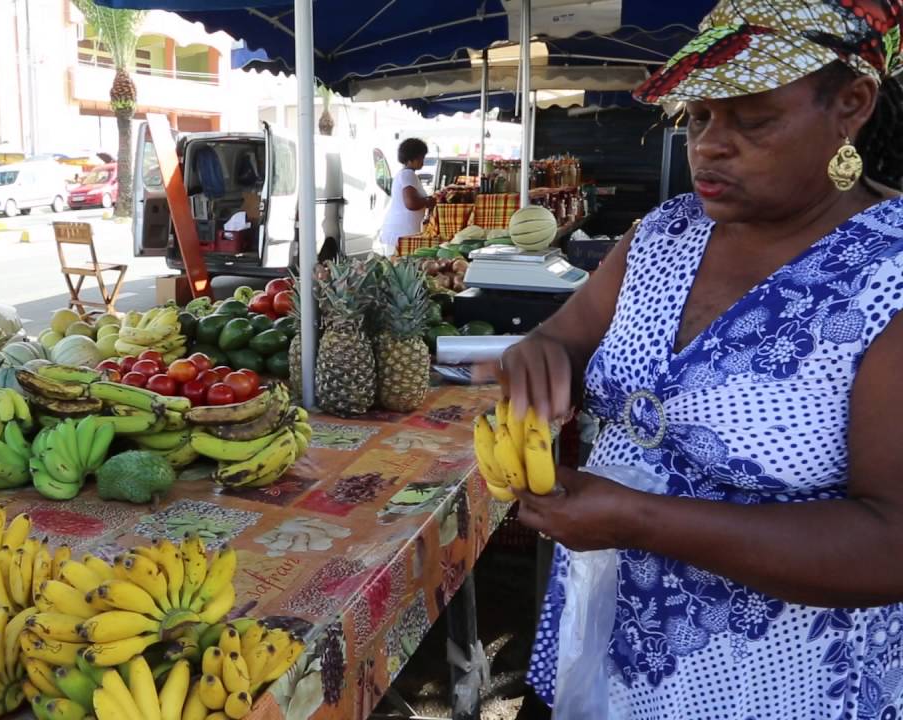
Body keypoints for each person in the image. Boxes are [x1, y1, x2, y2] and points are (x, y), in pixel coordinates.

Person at [494, 0, 903, 717]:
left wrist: (638, 519)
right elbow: (562, 335)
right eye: (699, 116)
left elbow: (890, 544)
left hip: (776, 685)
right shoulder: (662, 234)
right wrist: (539, 355)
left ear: (852, 105)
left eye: (751, 120)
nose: (711, 145)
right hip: (605, 641)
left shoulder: (886, 277)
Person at [378, 138, 435, 255]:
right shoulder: (408, 174)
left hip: (400, 231)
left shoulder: (405, 174)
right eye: (421, 157)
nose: (422, 161)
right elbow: (411, 203)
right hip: (401, 232)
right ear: (412, 157)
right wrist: (428, 201)